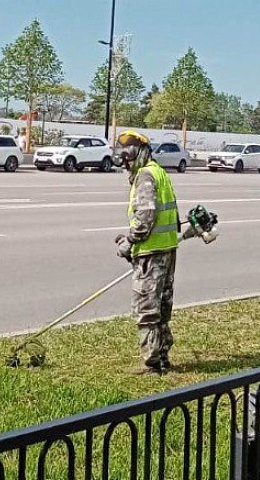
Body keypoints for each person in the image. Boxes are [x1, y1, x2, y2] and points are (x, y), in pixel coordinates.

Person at [114, 130, 180, 374]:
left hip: (152, 254)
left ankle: (152, 363)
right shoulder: (158, 171)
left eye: (128, 160)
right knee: (162, 308)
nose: (126, 166)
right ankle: (162, 357)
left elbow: (145, 216)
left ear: (138, 154)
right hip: (166, 249)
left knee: (147, 309)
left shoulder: (145, 175)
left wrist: (129, 241)